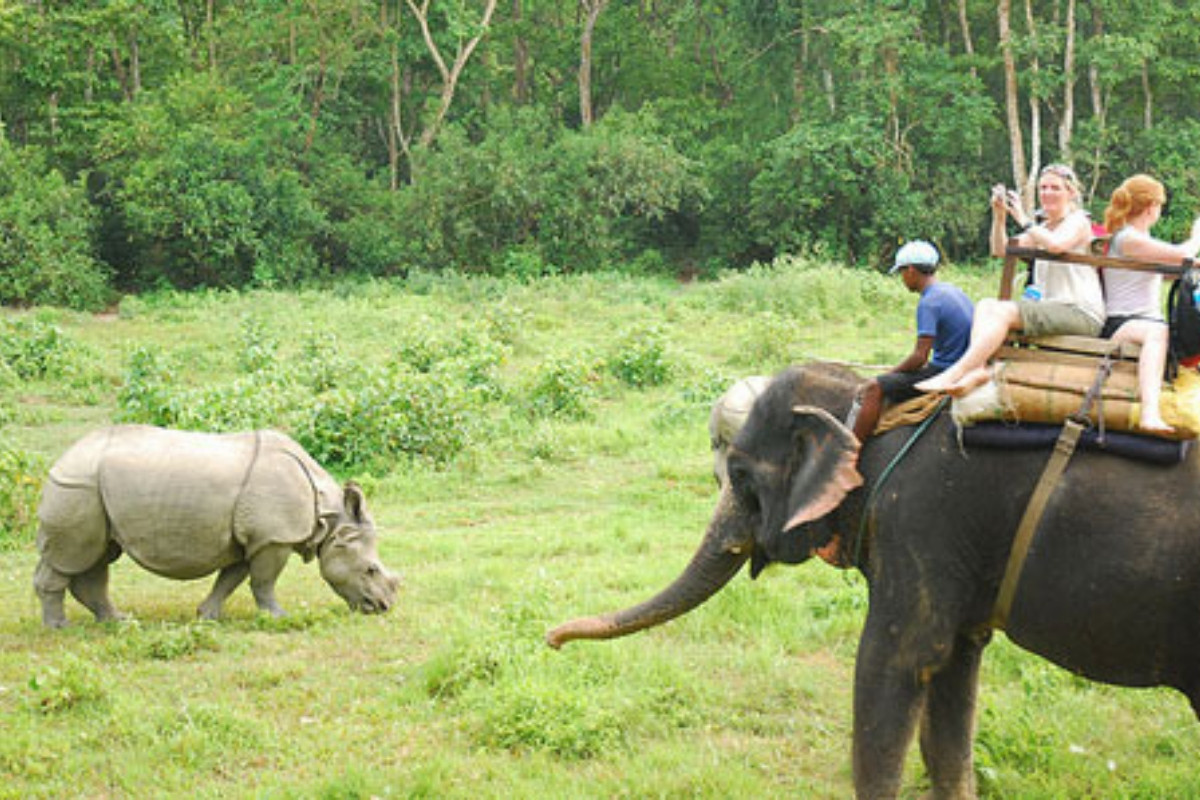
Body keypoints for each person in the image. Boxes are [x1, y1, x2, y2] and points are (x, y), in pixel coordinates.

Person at [916, 163, 1103, 396]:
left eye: (1055, 188)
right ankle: (979, 369)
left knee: (1002, 312)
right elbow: (1001, 249)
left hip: (1081, 312)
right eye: (1043, 188)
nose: (1047, 194)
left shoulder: (1078, 221)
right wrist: (1000, 216)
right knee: (985, 305)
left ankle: (957, 371)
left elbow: (1056, 245)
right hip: (1054, 308)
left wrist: (1024, 219)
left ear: (1071, 193)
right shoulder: (1043, 228)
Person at [1100, 174, 1200, 433]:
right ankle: (1149, 413)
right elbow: (1182, 254)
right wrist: (1197, 233)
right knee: (1159, 332)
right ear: (1151, 207)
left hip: (1146, 322)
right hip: (1122, 324)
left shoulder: (1140, 239)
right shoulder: (1127, 238)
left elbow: (1173, 268)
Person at [850, 240, 974, 443]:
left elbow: (919, 358)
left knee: (874, 387)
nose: (902, 279)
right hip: (964, 364)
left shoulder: (929, 302)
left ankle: (851, 452)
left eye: (901, 273)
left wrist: (887, 374)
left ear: (911, 270)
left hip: (945, 371)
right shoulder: (952, 291)